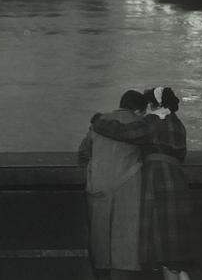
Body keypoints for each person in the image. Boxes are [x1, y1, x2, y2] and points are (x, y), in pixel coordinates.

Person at [90, 87, 193, 280]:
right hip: (177, 180)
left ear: (154, 105)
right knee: (176, 252)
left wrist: (98, 120)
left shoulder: (154, 121)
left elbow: (123, 132)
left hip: (158, 182)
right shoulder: (178, 124)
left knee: (164, 253)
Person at [78, 90, 148, 280]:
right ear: (139, 110)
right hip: (128, 189)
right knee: (125, 245)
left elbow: (84, 152)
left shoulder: (100, 123)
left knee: (100, 243)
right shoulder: (141, 125)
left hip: (98, 188)